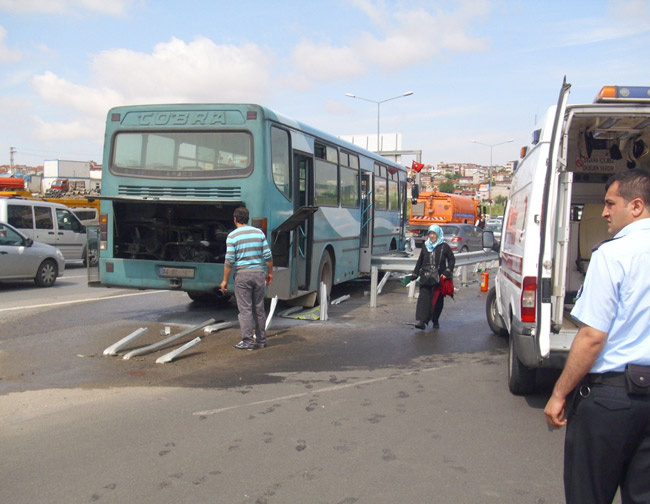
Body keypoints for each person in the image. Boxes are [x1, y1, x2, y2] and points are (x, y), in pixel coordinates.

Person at [544, 168, 650, 503]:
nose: (603, 212)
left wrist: (560, 393)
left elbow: (592, 337)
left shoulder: (613, 254)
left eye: (609, 203)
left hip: (612, 400)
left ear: (635, 206)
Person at [220, 206, 273, 350]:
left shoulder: (232, 236)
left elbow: (229, 260)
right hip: (258, 274)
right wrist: (270, 272)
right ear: (247, 219)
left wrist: (225, 280)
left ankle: (248, 341)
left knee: (245, 310)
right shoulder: (259, 234)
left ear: (235, 219)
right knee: (259, 309)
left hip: (242, 275)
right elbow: (268, 256)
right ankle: (261, 341)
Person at [411, 224, 455, 329]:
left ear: (438, 234)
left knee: (436, 301)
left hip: (439, 279)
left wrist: (447, 271)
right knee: (423, 299)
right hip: (425, 277)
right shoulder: (426, 246)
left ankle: (435, 320)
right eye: (430, 233)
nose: (432, 236)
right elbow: (420, 260)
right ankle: (421, 321)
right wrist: (415, 273)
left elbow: (452, 259)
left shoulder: (444, 247)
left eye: (434, 234)